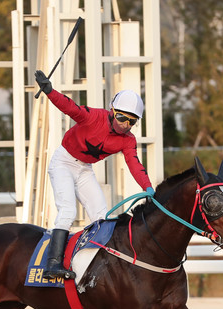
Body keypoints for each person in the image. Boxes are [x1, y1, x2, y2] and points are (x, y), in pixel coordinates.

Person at [34, 69, 154, 280]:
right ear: (112, 111)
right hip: (63, 162)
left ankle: (99, 265)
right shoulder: (93, 117)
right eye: (121, 117)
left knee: (101, 217)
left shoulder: (128, 140)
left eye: (132, 121)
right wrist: (50, 91)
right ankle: (52, 264)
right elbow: (70, 108)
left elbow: (134, 164)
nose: (125, 125)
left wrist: (148, 187)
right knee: (68, 211)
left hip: (84, 169)